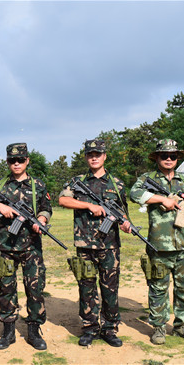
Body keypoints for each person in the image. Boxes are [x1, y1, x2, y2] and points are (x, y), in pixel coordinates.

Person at [130, 139, 184, 345]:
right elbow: (134, 193)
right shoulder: (147, 178)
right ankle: (158, 327)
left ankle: (182, 326)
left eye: (173, 156)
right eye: (164, 155)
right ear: (156, 158)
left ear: (177, 158)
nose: (169, 159)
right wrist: (162, 199)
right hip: (159, 245)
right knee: (158, 288)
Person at [58, 139, 132, 348]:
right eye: (90, 154)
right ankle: (89, 328)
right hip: (84, 244)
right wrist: (89, 205)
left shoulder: (116, 184)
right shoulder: (77, 181)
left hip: (110, 246)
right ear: (86, 157)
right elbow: (63, 200)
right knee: (86, 287)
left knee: (110, 288)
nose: (94, 157)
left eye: (97, 154)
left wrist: (126, 224)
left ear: (104, 156)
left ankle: (109, 329)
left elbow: (123, 212)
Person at [0, 143, 51, 351]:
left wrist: (41, 220)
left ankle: (34, 330)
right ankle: (8, 330)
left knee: (35, 289)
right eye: (12, 160)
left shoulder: (38, 185)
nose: (16, 163)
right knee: (6, 289)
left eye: (20, 160)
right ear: (8, 162)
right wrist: (0, 205)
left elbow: (47, 208)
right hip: (6, 246)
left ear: (27, 161)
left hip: (32, 248)